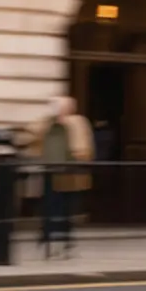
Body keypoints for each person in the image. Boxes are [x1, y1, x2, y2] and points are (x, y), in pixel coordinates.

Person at [21, 96, 93, 257]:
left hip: (71, 174)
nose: (59, 110)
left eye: (62, 107)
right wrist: (50, 119)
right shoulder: (47, 123)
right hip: (51, 172)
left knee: (67, 210)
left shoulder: (77, 122)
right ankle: (49, 240)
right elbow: (28, 136)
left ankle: (64, 242)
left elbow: (83, 148)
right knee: (50, 208)